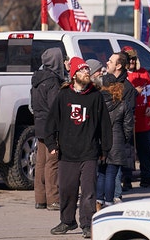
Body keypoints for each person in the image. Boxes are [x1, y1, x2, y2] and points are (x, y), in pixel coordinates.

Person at [44, 57, 112, 238]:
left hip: (89, 152)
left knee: (89, 192)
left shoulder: (95, 97)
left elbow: (104, 125)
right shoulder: (63, 95)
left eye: (88, 71)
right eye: (82, 71)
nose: (86, 73)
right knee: (66, 189)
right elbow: (50, 123)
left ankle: (87, 224)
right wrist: (51, 144)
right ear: (74, 75)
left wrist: (105, 150)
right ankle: (67, 221)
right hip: (67, 153)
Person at [122, 46, 150, 188]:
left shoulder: (144, 73)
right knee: (128, 151)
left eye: (133, 58)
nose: (132, 61)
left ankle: (146, 177)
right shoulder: (122, 76)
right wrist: (134, 92)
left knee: (145, 150)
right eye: (129, 59)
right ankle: (126, 179)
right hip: (129, 120)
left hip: (144, 120)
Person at [31, 47, 65, 211]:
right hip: (51, 125)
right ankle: (53, 199)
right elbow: (54, 106)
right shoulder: (52, 81)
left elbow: (33, 104)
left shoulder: (37, 79)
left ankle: (40, 198)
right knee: (52, 162)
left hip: (39, 123)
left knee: (41, 162)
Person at [96, 74, 134, 211]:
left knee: (101, 173)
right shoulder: (123, 103)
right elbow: (128, 126)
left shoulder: (97, 101)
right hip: (117, 140)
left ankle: (98, 201)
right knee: (112, 174)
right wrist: (124, 139)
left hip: (101, 140)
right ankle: (109, 202)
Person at [105, 51, 137, 192]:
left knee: (115, 173)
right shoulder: (103, 82)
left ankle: (115, 197)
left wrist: (123, 137)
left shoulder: (128, 88)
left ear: (118, 66)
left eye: (111, 61)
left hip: (117, 136)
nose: (107, 63)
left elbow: (129, 117)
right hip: (102, 134)